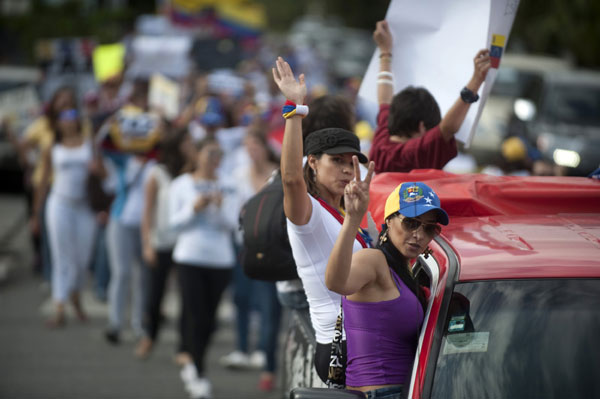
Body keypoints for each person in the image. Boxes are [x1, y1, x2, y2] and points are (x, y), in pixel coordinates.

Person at [272, 56, 372, 383]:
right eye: (337, 161)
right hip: (339, 348)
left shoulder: (349, 211)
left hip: (361, 340)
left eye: (352, 162)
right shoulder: (307, 214)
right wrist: (295, 108)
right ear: (312, 162)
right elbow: (290, 178)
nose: (347, 168)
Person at [325, 170, 449, 398]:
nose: (419, 234)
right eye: (411, 223)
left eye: (429, 228)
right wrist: (352, 219)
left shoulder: (406, 271)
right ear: (389, 221)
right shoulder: (373, 260)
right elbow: (335, 282)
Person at [369, 20, 491, 173]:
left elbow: (384, 99)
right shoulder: (415, 153)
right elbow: (447, 128)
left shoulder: (381, 140)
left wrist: (385, 52)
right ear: (422, 127)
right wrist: (475, 81)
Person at [170, 137, 239, 399]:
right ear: (197, 155)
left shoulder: (229, 184)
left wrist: (220, 209)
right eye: (209, 153)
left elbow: (232, 224)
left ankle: (195, 359)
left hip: (220, 260)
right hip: (189, 257)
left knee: (210, 320)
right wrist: (193, 208)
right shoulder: (181, 184)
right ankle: (197, 370)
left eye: (218, 154)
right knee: (195, 314)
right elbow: (173, 224)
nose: (214, 159)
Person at [220, 129, 282, 392]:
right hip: (243, 245)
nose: (251, 151)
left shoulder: (279, 173)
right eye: (247, 147)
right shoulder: (238, 176)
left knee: (269, 306)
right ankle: (241, 348)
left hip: (273, 249)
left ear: (264, 146)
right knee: (241, 298)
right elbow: (231, 213)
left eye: (255, 145)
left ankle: (266, 357)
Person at [134, 128, 195, 359]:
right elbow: (147, 212)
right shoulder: (157, 173)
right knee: (155, 294)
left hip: (185, 243)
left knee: (186, 296)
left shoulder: (192, 172)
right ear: (176, 145)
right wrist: (147, 244)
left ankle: (184, 346)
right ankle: (149, 336)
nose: (191, 146)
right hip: (161, 242)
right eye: (187, 141)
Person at [35, 107, 97, 327]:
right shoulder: (53, 146)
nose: (69, 123)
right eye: (65, 119)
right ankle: (59, 307)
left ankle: (76, 296)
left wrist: (97, 168)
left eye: (73, 119)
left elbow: (102, 172)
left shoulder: (91, 143)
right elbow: (43, 180)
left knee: (82, 259)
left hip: (84, 207)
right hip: (59, 204)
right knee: (61, 257)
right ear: (59, 123)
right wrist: (36, 213)